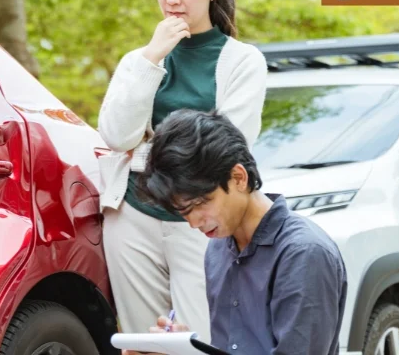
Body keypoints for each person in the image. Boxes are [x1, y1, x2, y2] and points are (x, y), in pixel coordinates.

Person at [96, 0, 267, 341]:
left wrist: (147, 142)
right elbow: (116, 136)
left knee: (204, 337)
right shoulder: (138, 61)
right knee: (143, 340)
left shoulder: (243, 62)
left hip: (205, 221)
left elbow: (225, 147)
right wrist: (152, 58)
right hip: (133, 216)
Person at [124, 109, 348, 354]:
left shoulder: (304, 253)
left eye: (200, 204)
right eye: (184, 212)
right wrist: (186, 348)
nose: (194, 223)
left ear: (238, 177)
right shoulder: (218, 248)